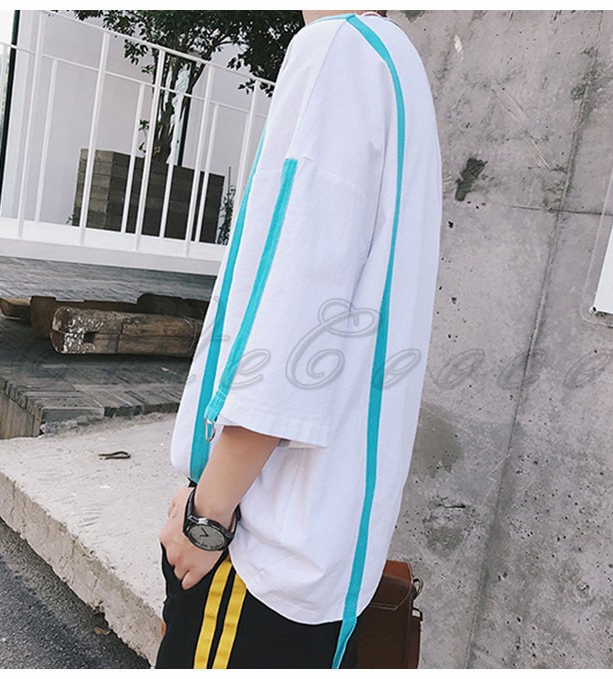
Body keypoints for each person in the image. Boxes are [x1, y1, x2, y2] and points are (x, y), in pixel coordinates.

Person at [156, 8, 442, 669]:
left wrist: (206, 515)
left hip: (256, 551)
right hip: (321, 558)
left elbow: (291, 327)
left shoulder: (339, 51)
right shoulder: (397, 65)